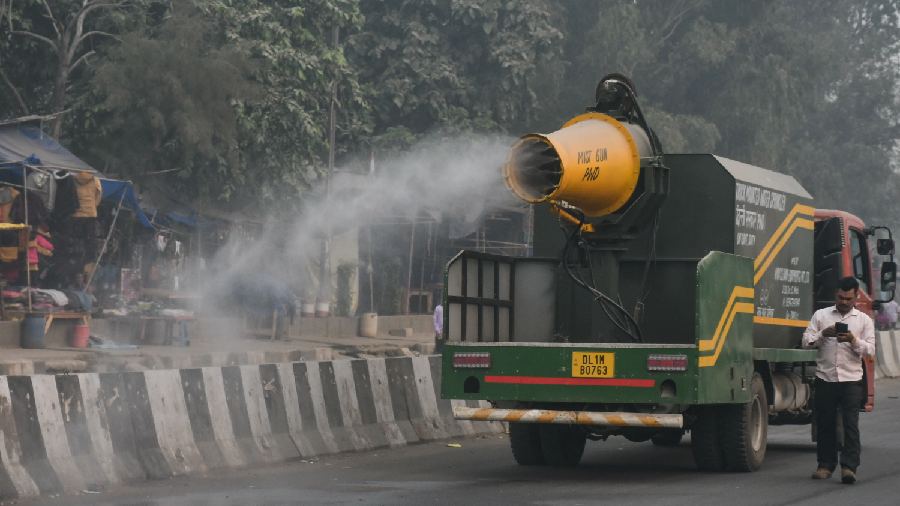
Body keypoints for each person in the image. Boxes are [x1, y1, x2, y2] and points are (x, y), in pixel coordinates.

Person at [802, 276, 875, 484]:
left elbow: (870, 350)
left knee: (850, 424)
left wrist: (853, 340)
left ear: (856, 297)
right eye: (841, 297)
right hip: (825, 378)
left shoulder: (863, 320)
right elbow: (806, 341)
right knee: (825, 423)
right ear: (836, 294)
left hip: (851, 380)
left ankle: (849, 467)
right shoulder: (821, 316)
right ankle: (825, 465)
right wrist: (823, 334)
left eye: (848, 298)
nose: (844, 302)